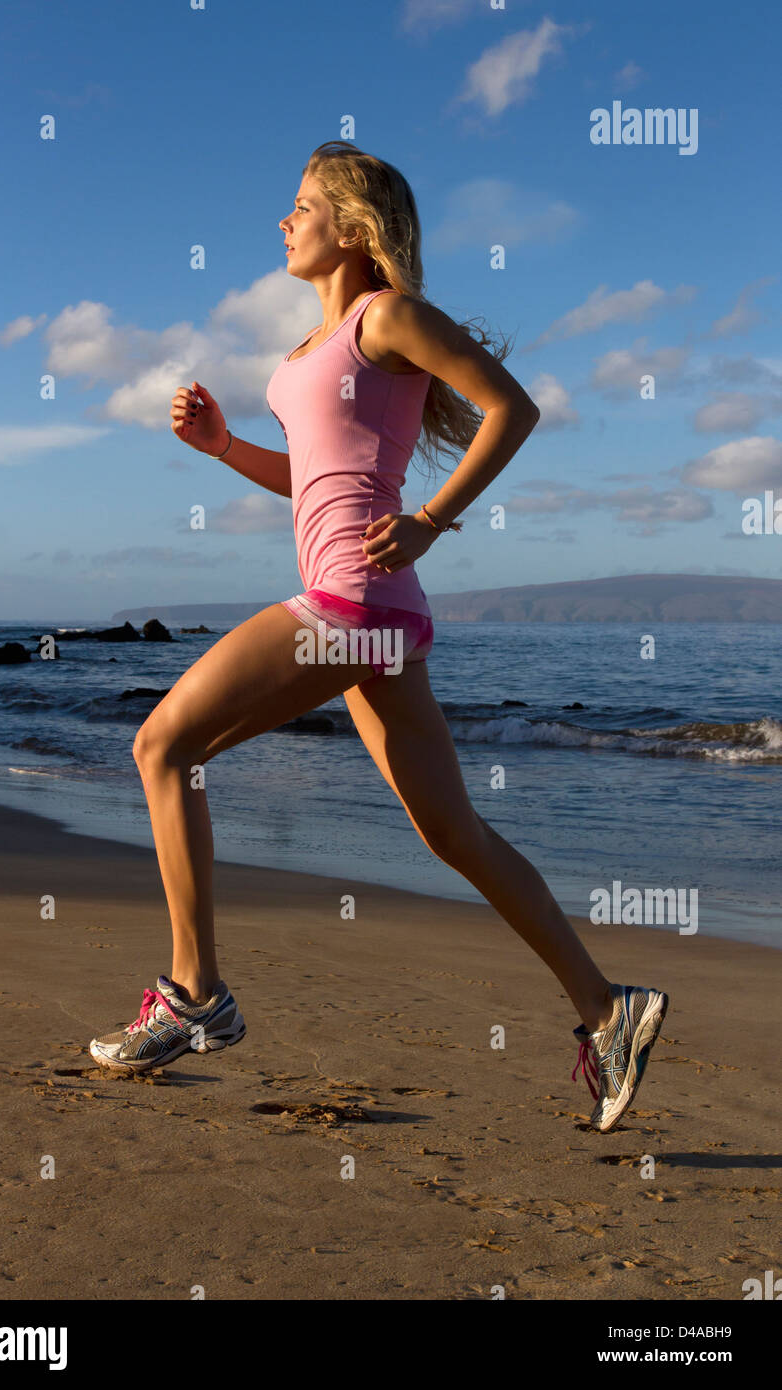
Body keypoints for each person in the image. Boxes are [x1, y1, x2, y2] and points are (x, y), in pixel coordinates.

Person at [89, 140, 668, 1134]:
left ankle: (194, 993)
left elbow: (510, 406)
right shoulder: (307, 356)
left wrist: (433, 518)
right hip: (376, 613)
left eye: (303, 205)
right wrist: (224, 448)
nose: (285, 219)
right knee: (452, 833)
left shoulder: (385, 317)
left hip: (355, 606)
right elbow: (314, 479)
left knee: (162, 745)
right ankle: (608, 1009)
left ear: (352, 231)